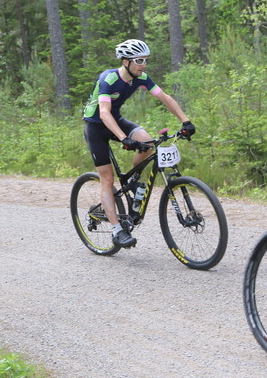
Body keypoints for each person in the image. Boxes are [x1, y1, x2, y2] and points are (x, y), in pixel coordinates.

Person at [82, 39, 196, 248]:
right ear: (126, 61)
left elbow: (166, 98)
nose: (143, 64)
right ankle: (117, 230)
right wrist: (124, 138)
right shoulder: (108, 78)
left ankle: (133, 180)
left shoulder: (140, 77)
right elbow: (104, 113)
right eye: (139, 60)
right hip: (96, 126)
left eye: (145, 60)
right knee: (107, 179)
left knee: (147, 141)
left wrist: (185, 121)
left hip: (116, 120)